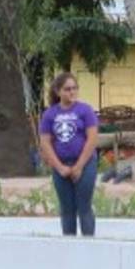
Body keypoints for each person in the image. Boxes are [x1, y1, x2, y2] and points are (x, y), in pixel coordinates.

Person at [38, 72, 99, 236]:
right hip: (61, 165)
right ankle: (69, 246)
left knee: (84, 206)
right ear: (58, 92)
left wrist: (79, 166)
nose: (72, 92)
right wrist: (59, 167)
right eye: (67, 89)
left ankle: (89, 245)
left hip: (85, 164)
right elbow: (45, 142)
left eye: (74, 88)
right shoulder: (50, 114)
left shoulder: (85, 110)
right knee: (67, 208)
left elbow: (92, 139)